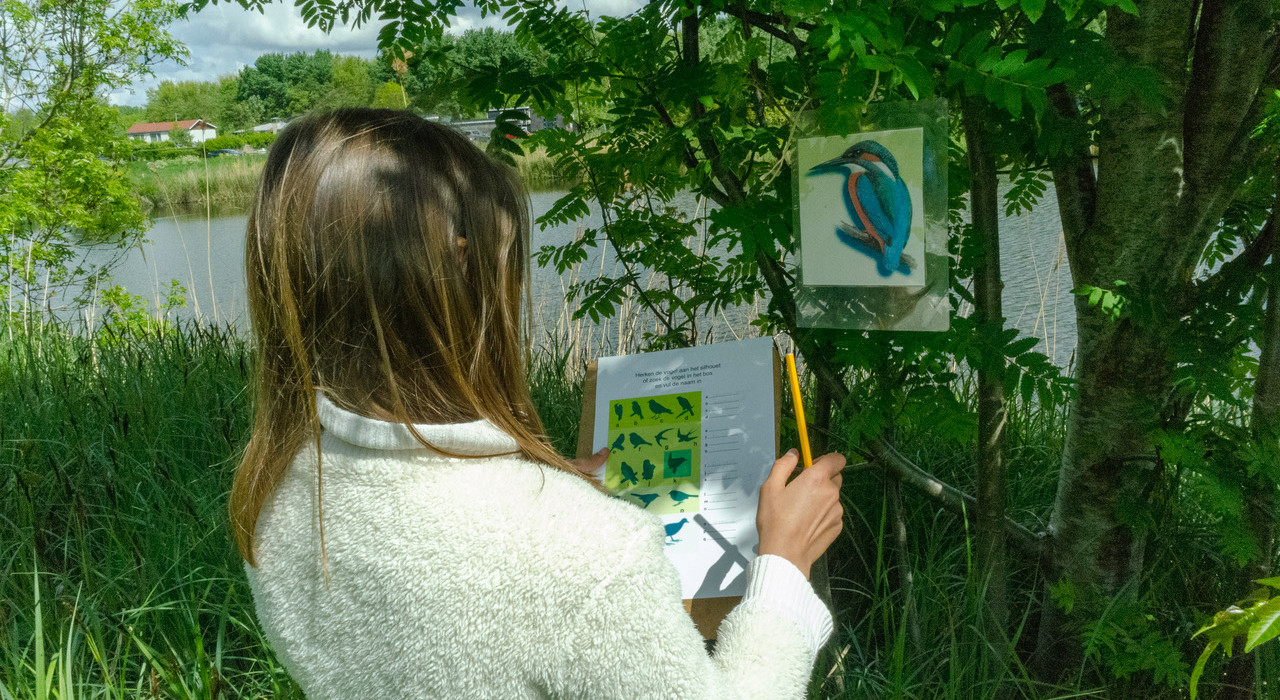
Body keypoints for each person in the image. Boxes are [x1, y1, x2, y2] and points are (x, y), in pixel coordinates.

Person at [229, 108, 847, 699]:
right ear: (465, 274)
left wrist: (535, 494)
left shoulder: (272, 491)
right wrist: (783, 568)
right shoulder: (583, 554)